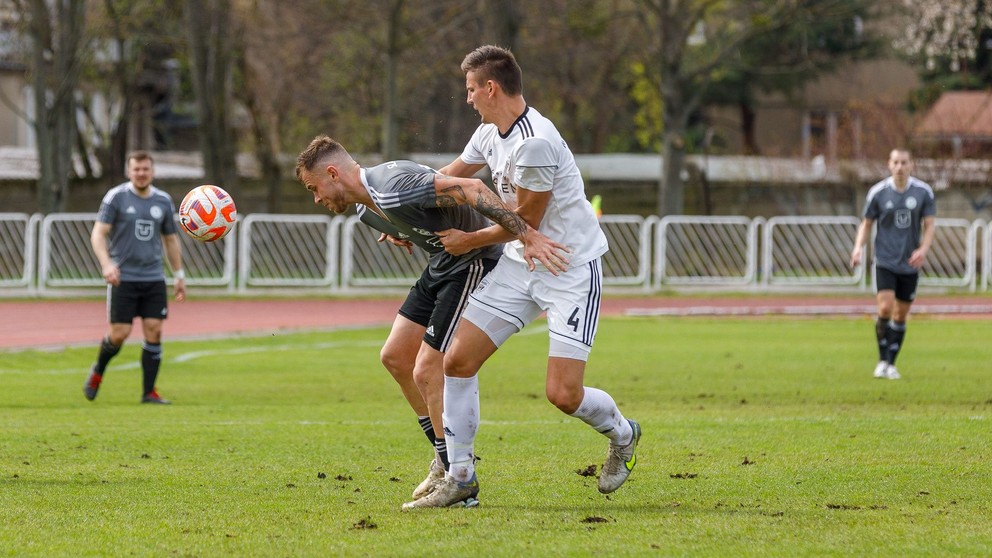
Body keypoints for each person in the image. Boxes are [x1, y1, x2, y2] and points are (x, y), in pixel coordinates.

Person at [402, 45, 640, 509]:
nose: (467, 98)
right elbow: (450, 177)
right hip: (519, 265)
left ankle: (624, 434)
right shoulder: (489, 131)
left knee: (563, 394)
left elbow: (525, 220)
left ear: (491, 87)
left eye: (471, 89)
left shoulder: (535, 141)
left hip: (567, 268)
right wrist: (406, 215)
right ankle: (461, 478)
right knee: (457, 362)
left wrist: (468, 241)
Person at [294, 135, 566, 503]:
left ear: (332, 173)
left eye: (315, 188)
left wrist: (526, 234)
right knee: (395, 357)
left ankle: (460, 480)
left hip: (473, 261)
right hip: (441, 267)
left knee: (426, 369)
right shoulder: (367, 209)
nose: (317, 198)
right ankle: (445, 458)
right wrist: (400, 229)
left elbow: (471, 187)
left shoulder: (392, 187)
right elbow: (418, 212)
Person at [84, 151, 186, 404]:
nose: (141, 173)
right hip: (123, 277)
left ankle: (149, 392)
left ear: (152, 171)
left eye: (145, 169)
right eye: (136, 169)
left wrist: (179, 274)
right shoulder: (116, 197)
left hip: (153, 277)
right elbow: (98, 234)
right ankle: (98, 371)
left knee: (154, 330)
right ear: (129, 171)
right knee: (120, 333)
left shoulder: (162, 200)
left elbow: (170, 240)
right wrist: (107, 265)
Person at [850, 148, 936, 380]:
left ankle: (891, 363)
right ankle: (881, 361)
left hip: (910, 262)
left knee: (901, 315)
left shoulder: (923, 192)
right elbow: (866, 224)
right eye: (896, 162)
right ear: (889, 164)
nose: (900, 166)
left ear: (911, 165)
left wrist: (923, 250)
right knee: (885, 308)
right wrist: (858, 247)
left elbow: (929, 225)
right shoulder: (878, 192)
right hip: (885, 260)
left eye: (904, 162)